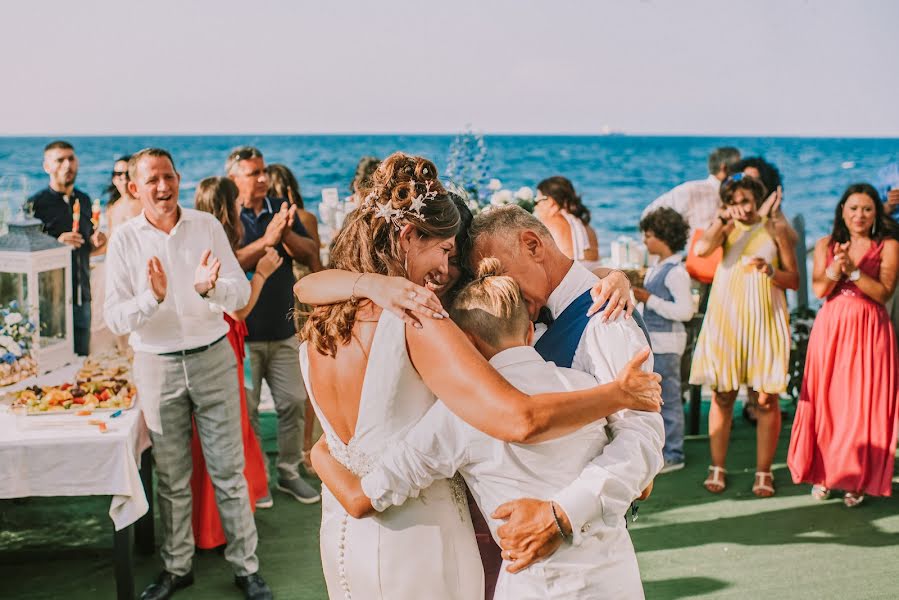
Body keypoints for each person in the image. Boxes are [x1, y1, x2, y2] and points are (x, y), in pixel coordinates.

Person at [296, 151, 661, 600]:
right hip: (424, 535)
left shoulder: (326, 318)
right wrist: (619, 395)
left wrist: (319, 457)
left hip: (348, 533)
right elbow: (519, 417)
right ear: (409, 236)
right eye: (448, 253)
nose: (485, 285)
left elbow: (641, 447)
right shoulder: (425, 320)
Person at [104, 148, 272, 600]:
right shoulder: (123, 240)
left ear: (179, 178)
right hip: (156, 365)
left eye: (169, 177)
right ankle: (177, 568)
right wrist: (151, 299)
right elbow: (116, 318)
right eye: (152, 180)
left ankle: (247, 568)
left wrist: (210, 287)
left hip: (214, 356)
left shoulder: (206, 226)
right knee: (171, 478)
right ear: (134, 188)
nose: (163, 187)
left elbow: (236, 293)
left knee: (229, 471)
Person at [468, 205, 664, 576]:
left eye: (498, 273)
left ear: (532, 245)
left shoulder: (605, 318)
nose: (498, 289)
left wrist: (562, 515)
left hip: (582, 545)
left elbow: (641, 438)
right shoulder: (537, 311)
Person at [788, 183, 899, 508]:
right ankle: (823, 473)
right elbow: (821, 289)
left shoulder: (889, 245)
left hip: (871, 330)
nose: (859, 215)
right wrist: (838, 267)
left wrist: (853, 273)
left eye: (866, 209)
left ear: (876, 213)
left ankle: (857, 478)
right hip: (832, 329)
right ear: (842, 211)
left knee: (862, 406)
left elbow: (883, 293)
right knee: (828, 405)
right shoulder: (826, 243)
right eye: (853, 208)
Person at [689, 174, 799, 497]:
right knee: (723, 394)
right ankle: (717, 465)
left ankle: (764, 471)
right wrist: (721, 219)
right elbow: (701, 248)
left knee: (766, 399)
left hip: (765, 318)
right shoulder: (723, 228)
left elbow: (793, 279)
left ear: (757, 199)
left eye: (746, 201)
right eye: (733, 202)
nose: (741, 208)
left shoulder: (774, 227)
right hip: (727, 319)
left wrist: (771, 272)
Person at [226, 146, 322, 507]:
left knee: (293, 402)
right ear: (234, 178)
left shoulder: (281, 209)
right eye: (254, 173)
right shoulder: (227, 213)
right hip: (244, 333)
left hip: (283, 329)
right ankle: (257, 479)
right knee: (247, 412)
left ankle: (289, 470)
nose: (263, 178)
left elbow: (310, 254)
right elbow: (227, 262)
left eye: (264, 171)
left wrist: (282, 234)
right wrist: (264, 241)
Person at [190, 176, 275, 549]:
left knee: (222, 434)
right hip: (223, 339)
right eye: (237, 202)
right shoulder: (218, 247)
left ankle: (225, 519)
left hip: (222, 342)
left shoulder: (199, 240)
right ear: (229, 207)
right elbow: (238, 310)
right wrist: (263, 276)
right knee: (228, 432)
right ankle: (219, 527)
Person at [26, 140, 107, 356]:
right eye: (60, 160)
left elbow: (88, 247)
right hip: (50, 297)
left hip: (82, 292)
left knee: (81, 357)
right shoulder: (35, 205)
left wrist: (98, 242)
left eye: (71, 159)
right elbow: (26, 253)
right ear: (46, 167)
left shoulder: (84, 200)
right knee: (51, 357)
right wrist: (56, 244)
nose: (67, 165)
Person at [265, 163, 321, 474]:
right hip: (286, 301)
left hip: (302, 300)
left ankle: (307, 447)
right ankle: (301, 446)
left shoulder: (302, 219)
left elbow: (313, 260)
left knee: (308, 377)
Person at [635, 207, 695, 473]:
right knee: (657, 399)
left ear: (662, 236)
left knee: (669, 399)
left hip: (668, 344)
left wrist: (650, 300)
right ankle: (662, 449)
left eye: (648, 236)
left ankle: (674, 453)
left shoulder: (675, 272)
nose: (645, 241)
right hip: (655, 343)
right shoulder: (657, 268)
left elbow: (685, 311)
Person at [642, 146, 741, 235]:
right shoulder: (693, 190)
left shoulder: (735, 194)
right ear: (724, 168)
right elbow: (649, 213)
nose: (741, 171)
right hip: (694, 252)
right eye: (739, 167)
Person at [534, 176, 601, 270]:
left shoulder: (550, 223)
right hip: (594, 279)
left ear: (550, 201)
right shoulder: (587, 227)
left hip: (571, 280)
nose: (536, 206)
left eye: (537, 200)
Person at [106, 154, 143, 233]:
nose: (124, 178)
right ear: (113, 179)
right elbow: (110, 239)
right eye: (118, 174)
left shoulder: (146, 204)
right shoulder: (111, 207)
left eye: (128, 174)